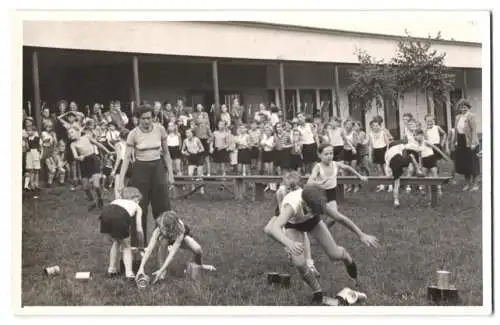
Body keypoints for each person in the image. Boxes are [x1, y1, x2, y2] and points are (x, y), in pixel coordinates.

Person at [265, 183, 379, 305]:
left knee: (334, 254)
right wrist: (290, 243)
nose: (315, 211)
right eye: (312, 210)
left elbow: (340, 218)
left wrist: (361, 234)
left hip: (313, 222)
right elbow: (275, 228)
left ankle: (346, 257)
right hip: (293, 225)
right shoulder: (293, 205)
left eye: (317, 210)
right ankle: (317, 292)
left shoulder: (318, 202)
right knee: (299, 262)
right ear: (305, 204)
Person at [116, 105, 174, 246]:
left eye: (149, 118)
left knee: (163, 206)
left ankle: (164, 241)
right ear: (137, 119)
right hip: (140, 170)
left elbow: (166, 154)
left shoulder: (160, 129)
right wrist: (121, 181)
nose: (146, 121)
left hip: (158, 169)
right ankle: (139, 246)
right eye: (143, 118)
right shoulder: (133, 134)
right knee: (139, 208)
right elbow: (126, 159)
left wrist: (171, 174)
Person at [135, 210, 215, 284]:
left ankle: (200, 265)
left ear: (172, 227)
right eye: (162, 228)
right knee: (163, 241)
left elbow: (172, 254)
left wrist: (172, 244)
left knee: (198, 249)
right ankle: (162, 271)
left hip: (179, 238)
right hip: (165, 240)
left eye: (165, 229)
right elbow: (149, 249)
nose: (162, 230)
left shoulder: (180, 228)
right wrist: (141, 268)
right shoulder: (159, 227)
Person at [264, 172, 319, 277]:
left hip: (299, 214)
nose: (290, 191)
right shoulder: (281, 193)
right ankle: (290, 248)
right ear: (284, 186)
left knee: (303, 232)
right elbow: (281, 212)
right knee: (268, 229)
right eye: (288, 188)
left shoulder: (301, 195)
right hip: (285, 213)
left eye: (293, 188)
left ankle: (309, 263)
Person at [308, 144, 368, 228]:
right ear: (319, 155)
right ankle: (312, 231)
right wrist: (320, 183)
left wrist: (360, 176)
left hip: (331, 193)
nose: (329, 156)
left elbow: (347, 168)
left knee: (333, 218)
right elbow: (309, 181)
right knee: (311, 218)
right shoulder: (317, 167)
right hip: (319, 193)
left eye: (331, 153)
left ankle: (323, 231)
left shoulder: (335, 164)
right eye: (326, 154)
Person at [99, 187, 144, 279]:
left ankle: (111, 270)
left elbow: (110, 212)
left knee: (116, 241)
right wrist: (141, 244)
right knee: (126, 246)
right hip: (120, 216)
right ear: (134, 198)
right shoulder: (137, 206)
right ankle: (129, 273)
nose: (138, 202)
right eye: (138, 199)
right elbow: (139, 229)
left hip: (105, 213)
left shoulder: (117, 200)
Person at [69, 126, 111, 210]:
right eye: (69, 133)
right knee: (85, 187)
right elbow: (75, 156)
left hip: (93, 160)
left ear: (78, 131)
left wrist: (108, 151)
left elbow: (98, 144)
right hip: (83, 163)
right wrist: (79, 157)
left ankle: (99, 199)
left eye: (72, 132)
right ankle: (93, 202)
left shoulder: (87, 137)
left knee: (96, 185)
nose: (70, 134)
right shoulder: (73, 144)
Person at [384, 140, 424, 207]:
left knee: (396, 183)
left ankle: (396, 201)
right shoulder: (398, 146)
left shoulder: (387, 153)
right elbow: (409, 146)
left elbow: (387, 166)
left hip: (392, 164)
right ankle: (418, 171)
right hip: (398, 158)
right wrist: (418, 149)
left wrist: (389, 174)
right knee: (411, 156)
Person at [453, 99, 480, 191]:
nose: (463, 109)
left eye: (465, 107)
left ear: (468, 107)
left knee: (473, 163)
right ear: (459, 108)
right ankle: (468, 184)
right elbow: (456, 131)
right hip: (460, 142)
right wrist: (455, 141)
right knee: (464, 164)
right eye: (461, 107)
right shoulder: (457, 117)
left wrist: (473, 143)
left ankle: (475, 184)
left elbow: (474, 131)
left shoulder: (471, 116)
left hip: (470, 142)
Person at [413, 129, 451, 197]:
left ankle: (439, 190)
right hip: (425, 161)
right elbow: (420, 156)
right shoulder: (418, 145)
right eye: (413, 136)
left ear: (421, 135)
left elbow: (436, 149)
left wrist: (444, 156)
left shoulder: (426, 142)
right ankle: (423, 190)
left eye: (415, 135)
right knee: (423, 176)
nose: (414, 137)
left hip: (431, 159)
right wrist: (420, 165)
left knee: (435, 175)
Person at [368, 118, 392, 192]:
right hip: (376, 151)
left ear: (379, 126)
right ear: (371, 127)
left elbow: (388, 143)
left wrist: (387, 152)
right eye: (373, 126)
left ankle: (390, 185)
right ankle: (382, 185)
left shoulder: (383, 132)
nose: (375, 127)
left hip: (383, 150)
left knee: (386, 169)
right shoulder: (370, 134)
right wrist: (370, 155)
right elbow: (371, 146)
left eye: (377, 125)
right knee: (379, 170)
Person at [181, 128, 205, 194]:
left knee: (199, 175)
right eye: (186, 133)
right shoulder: (185, 141)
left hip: (198, 157)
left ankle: (201, 188)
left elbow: (202, 149)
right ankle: (193, 187)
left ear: (192, 133)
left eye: (189, 133)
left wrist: (197, 151)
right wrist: (185, 153)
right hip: (191, 157)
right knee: (190, 174)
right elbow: (182, 150)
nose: (187, 134)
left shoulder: (196, 139)